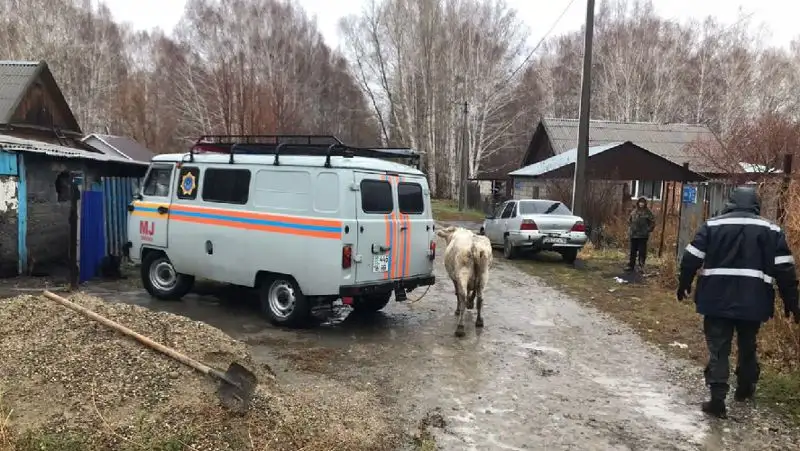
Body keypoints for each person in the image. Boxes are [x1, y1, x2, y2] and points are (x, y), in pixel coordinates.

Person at [677, 186, 800, 419]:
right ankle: (745, 387)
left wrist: (684, 283)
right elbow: (785, 269)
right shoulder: (771, 230)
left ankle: (717, 399)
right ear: (756, 205)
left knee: (718, 347)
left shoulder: (712, 225)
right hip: (754, 301)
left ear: (730, 202)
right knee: (748, 344)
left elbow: (691, 258)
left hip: (716, 299)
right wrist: (791, 301)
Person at [626, 197, 655, 271]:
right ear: (638, 203)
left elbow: (652, 222)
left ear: (645, 203)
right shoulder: (634, 211)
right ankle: (631, 265)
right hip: (634, 234)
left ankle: (641, 266)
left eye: (643, 202)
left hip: (643, 235)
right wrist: (630, 229)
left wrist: (648, 229)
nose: (641, 204)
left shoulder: (648, 212)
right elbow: (629, 220)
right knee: (633, 251)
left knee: (642, 251)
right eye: (640, 202)